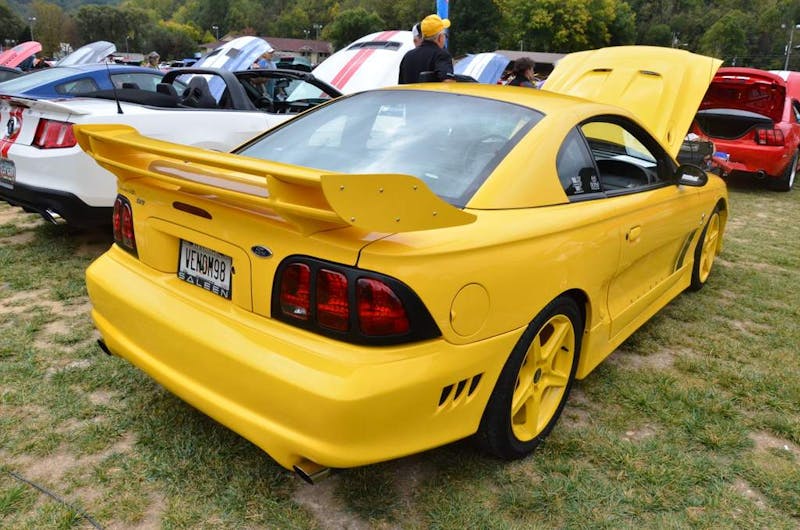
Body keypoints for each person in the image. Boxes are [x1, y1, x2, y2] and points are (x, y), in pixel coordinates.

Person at [398, 14, 454, 84]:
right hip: (432, 95)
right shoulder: (442, 55)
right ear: (440, 37)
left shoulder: (407, 56)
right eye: (445, 35)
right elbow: (448, 83)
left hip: (408, 95)